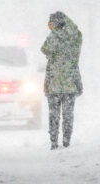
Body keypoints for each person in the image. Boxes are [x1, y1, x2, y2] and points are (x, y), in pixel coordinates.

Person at [41, 11, 83, 150]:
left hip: (54, 83)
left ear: (55, 24)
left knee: (54, 114)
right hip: (71, 81)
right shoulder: (75, 37)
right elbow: (76, 31)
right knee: (68, 114)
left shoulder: (54, 37)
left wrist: (54, 32)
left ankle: (54, 142)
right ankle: (66, 141)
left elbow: (45, 50)